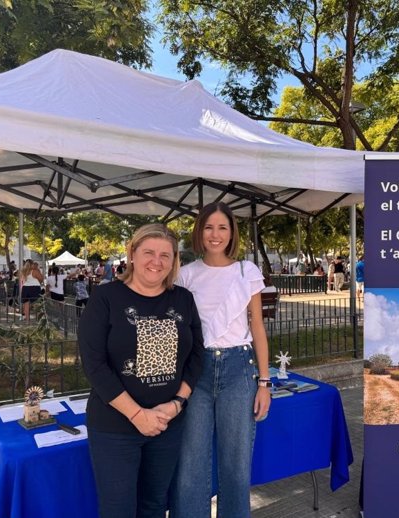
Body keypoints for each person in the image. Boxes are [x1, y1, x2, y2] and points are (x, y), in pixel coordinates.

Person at [79, 224, 204, 518]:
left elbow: (197, 356)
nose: (157, 261)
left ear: (174, 261)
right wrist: (137, 415)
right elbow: (94, 365)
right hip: (115, 427)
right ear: (132, 254)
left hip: (167, 425)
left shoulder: (183, 299)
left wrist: (177, 404)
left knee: (155, 505)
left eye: (166, 255)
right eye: (148, 252)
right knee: (118, 510)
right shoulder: (106, 297)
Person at [171, 202, 271, 518]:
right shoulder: (185, 275)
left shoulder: (247, 271)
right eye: (209, 227)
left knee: (236, 463)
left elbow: (257, 327)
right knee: (191, 463)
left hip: (239, 370)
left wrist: (265, 382)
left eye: (222, 227)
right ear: (199, 231)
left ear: (232, 233)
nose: (215, 234)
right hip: (196, 372)